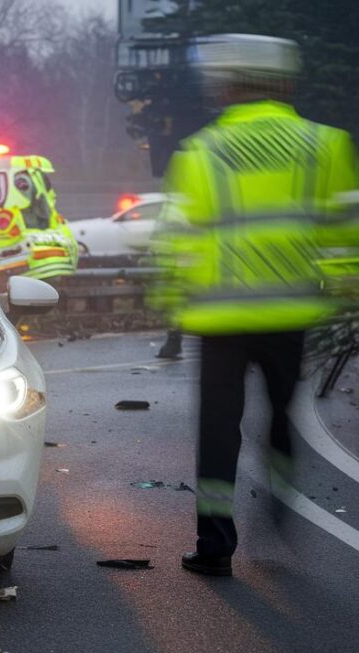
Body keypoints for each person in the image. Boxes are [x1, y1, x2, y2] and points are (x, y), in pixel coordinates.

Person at [156, 35, 358, 576]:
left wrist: (173, 305)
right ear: (284, 83)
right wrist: (345, 289)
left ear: (226, 86)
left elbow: (177, 239)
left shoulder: (199, 152)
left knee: (219, 431)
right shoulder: (327, 145)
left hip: (219, 321)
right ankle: (282, 498)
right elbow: (345, 232)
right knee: (282, 417)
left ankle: (215, 544)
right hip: (290, 315)